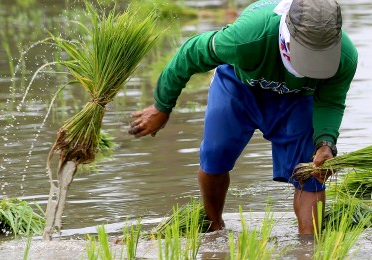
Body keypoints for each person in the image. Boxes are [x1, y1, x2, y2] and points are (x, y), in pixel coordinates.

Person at [128, 0, 357, 234]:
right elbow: (190, 53)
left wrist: (325, 144)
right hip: (240, 87)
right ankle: (215, 229)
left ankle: (310, 247)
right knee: (214, 155)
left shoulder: (345, 58)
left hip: (297, 99)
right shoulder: (247, 37)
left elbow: (330, 101)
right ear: (286, 37)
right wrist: (162, 107)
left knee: (310, 173)